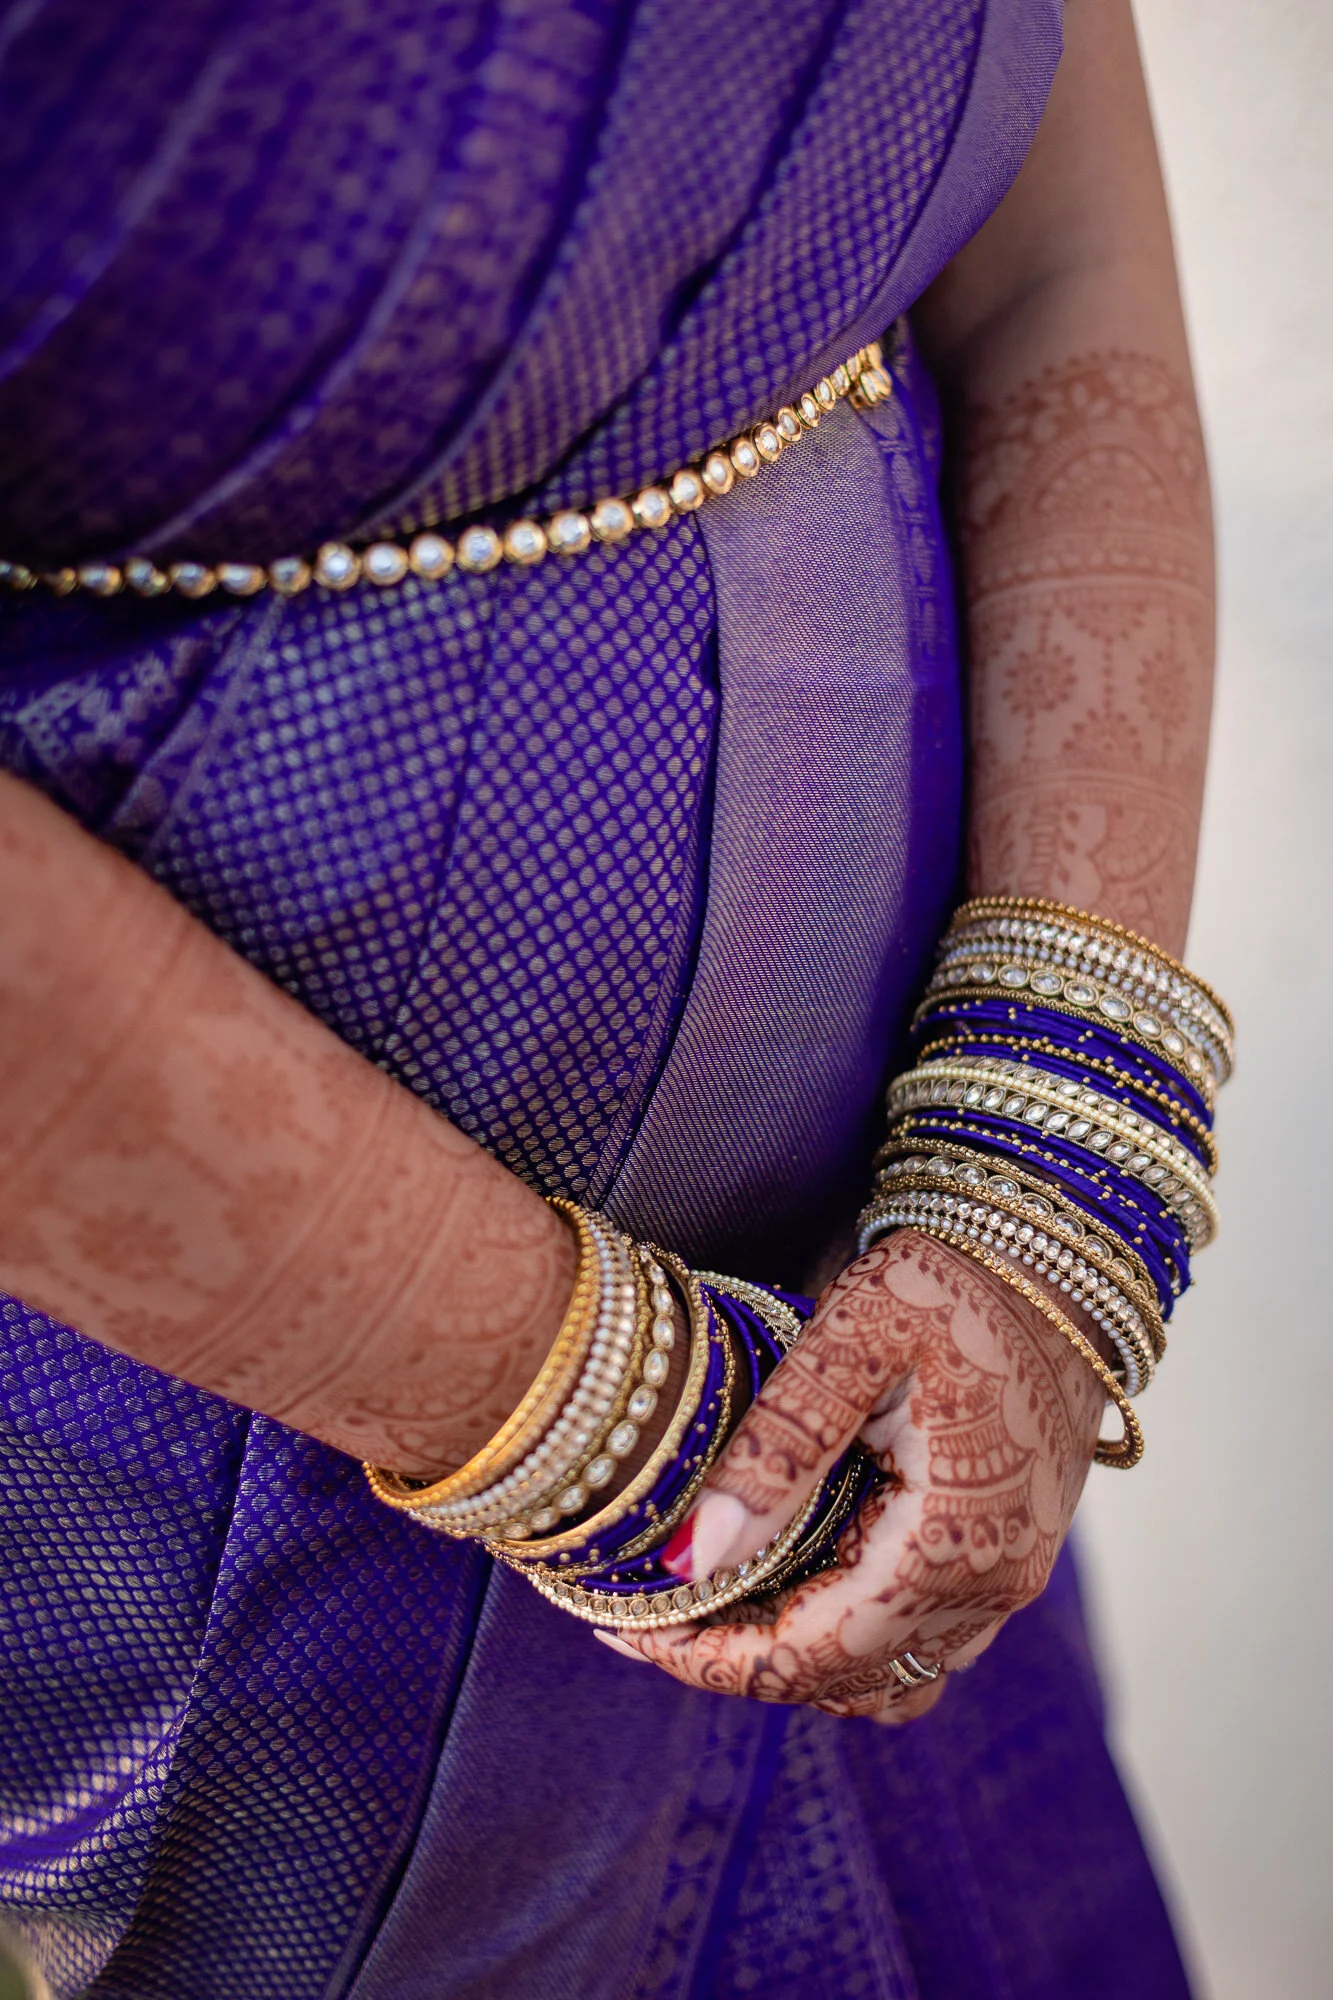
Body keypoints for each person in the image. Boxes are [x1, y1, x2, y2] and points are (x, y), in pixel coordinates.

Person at [0, 1, 1220, 1994]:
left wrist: (1053, 1143)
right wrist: (588, 1414)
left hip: (923, 1310)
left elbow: (1059, 231)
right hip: (206, 1504)